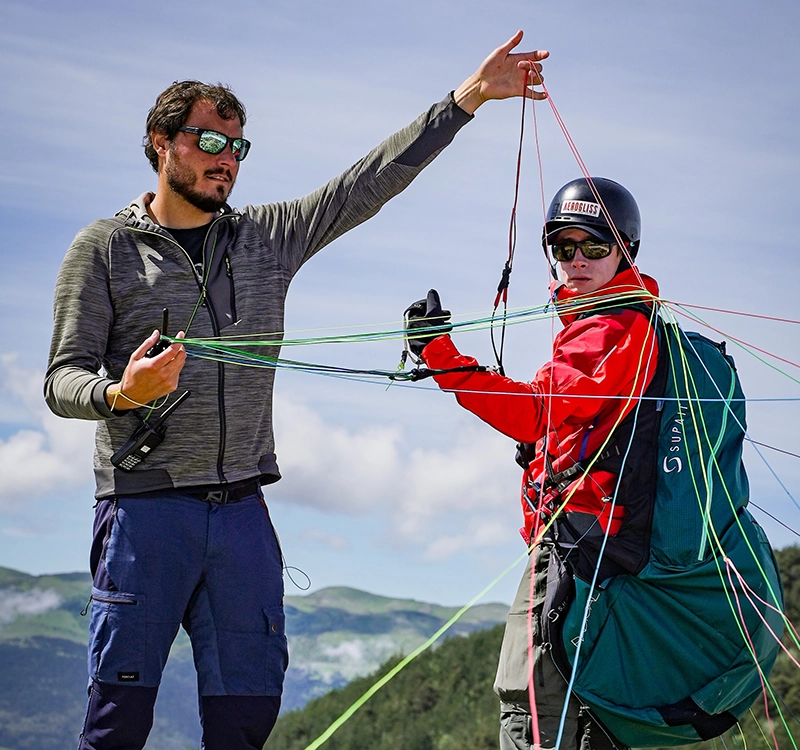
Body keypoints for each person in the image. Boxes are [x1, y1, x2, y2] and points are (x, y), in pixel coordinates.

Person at [44, 33, 548, 750]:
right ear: (161, 142)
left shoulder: (266, 238)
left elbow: (363, 185)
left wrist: (467, 99)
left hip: (243, 513)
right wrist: (120, 394)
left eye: (238, 148)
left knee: (246, 719)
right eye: (210, 140)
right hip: (144, 512)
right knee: (116, 720)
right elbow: (62, 378)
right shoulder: (103, 248)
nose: (227, 159)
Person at [405, 177, 658, 750]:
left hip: (578, 543)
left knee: (529, 704)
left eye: (594, 246)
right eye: (564, 247)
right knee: (585, 709)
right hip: (606, 541)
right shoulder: (615, 324)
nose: (576, 260)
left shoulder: (612, 327)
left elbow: (536, 413)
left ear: (626, 252)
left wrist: (440, 356)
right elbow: (573, 419)